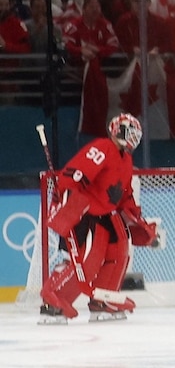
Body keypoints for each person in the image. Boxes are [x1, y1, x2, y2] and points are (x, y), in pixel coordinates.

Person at [38, 114, 158, 323]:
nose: (133, 138)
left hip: (107, 214)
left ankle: (102, 301)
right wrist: (66, 202)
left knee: (119, 251)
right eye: (129, 132)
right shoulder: (102, 148)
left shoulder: (126, 159)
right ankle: (54, 300)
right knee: (88, 262)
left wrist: (138, 222)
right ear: (117, 130)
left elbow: (125, 195)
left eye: (136, 134)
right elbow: (74, 176)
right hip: (86, 213)